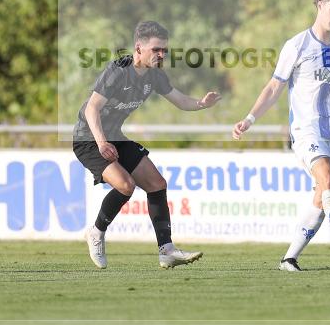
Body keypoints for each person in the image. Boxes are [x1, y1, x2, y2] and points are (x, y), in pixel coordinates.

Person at [233, 0, 330, 272]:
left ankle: (289, 258)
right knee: (327, 176)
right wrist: (249, 119)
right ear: (319, 5)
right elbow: (273, 88)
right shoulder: (297, 45)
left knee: (323, 193)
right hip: (305, 129)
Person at [75, 20, 221, 269]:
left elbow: (180, 101)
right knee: (126, 186)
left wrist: (201, 104)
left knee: (157, 183)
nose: (161, 54)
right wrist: (101, 142)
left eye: (164, 50)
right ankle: (96, 232)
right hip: (89, 140)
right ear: (138, 48)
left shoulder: (155, 76)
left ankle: (167, 251)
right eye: (156, 50)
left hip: (115, 138)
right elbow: (92, 108)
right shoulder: (118, 70)